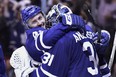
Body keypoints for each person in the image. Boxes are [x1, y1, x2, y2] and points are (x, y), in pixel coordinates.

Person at [10, 4, 111, 77]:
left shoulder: (62, 41)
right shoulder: (86, 34)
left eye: (40, 18)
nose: (40, 23)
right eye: (34, 21)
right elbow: (104, 69)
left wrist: (26, 73)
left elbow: (50, 73)